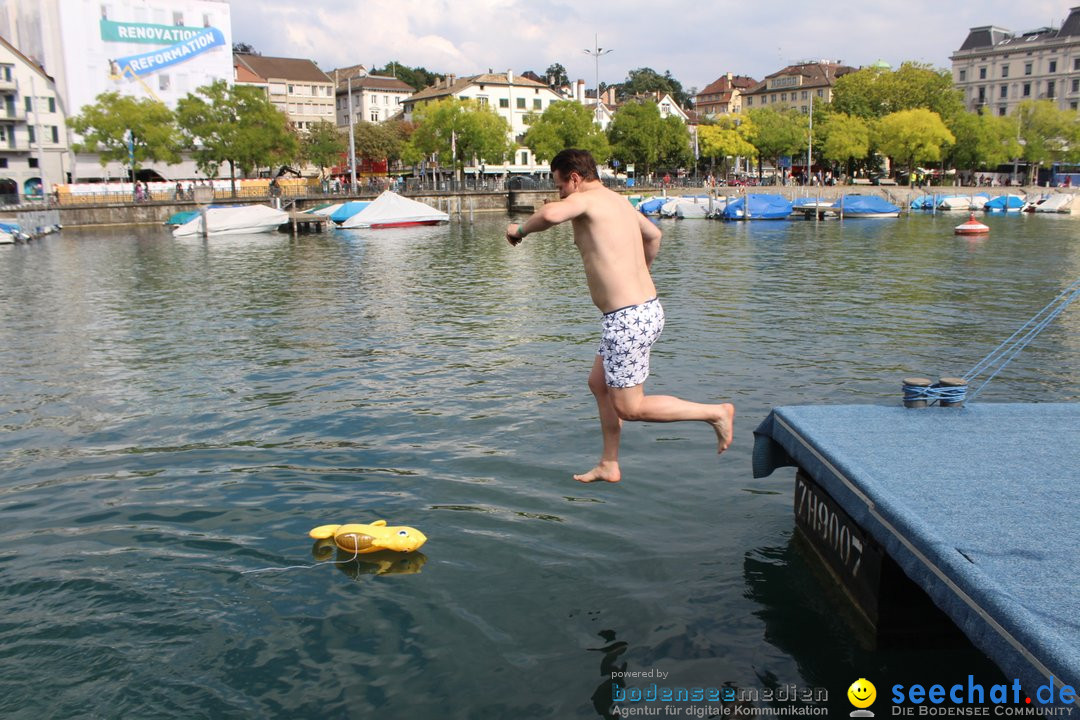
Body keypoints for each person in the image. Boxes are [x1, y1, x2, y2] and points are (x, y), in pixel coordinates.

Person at [505, 149, 734, 484]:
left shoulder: (586, 199)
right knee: (599, 384)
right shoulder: (618, 201)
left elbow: (552, 215)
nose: (559, 194)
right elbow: (654, 236)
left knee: (630, 407)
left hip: (628, 318)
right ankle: (609, 463)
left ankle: (715, 413)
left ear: (575, 178)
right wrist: (637, 277)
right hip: (643, 310)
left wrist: (519, 230)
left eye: (560, 186)